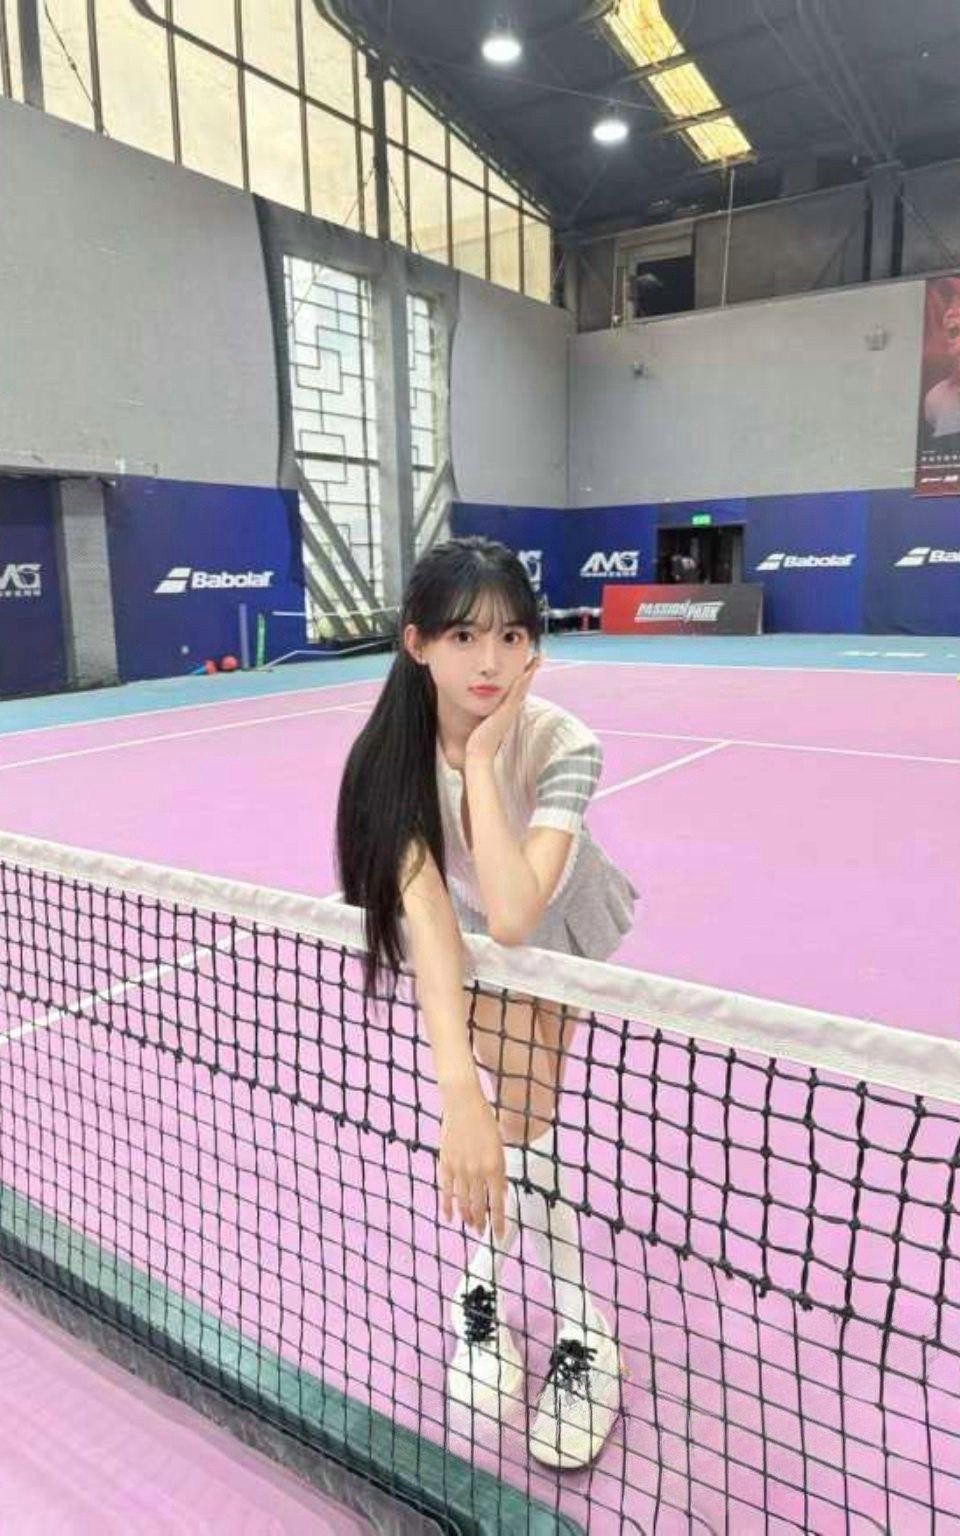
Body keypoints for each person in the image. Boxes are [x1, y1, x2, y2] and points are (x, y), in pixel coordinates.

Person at [335, 536, 638, 1470]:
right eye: (464, 636)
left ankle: (501, 1286)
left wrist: (483, 756)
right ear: (417, 643)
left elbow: (518, 912)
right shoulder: (387, 767)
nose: (491, 661)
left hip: (559, 922)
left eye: (511, 636)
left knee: (526, 1113)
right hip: (471, 938)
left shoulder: (563, 742)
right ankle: (576, 1321)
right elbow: (439, 929)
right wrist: (455, 1096)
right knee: (520, 1111)